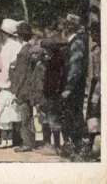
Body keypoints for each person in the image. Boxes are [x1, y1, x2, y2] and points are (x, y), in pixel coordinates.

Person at [60, 14, 89, 158]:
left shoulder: (76, 43)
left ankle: (82, 147)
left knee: (75, 115)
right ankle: (77, 147)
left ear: (71, 27)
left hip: (74, 87)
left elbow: (75, 67)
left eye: (66, 25)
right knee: (71, 115)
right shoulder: (72, 42)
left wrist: (69, 87)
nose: (64, 27)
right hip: (72, 86)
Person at [13, 43, 47, 152]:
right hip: (31, 96)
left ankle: (28, 144)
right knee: (30, 120)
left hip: (33, 96)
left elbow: (38, 84)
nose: (31, 56)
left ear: (37, 55)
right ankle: (30, 143)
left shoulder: (39, 66)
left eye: (33, 54)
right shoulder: (35, 66)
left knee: (28, 120)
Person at [36, 37, 66, 156]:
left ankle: (56, 147)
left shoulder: (55, 61)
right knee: (52, 119)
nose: (44, 51)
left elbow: (53, 80)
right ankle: (54, 145)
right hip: (53, 93)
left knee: (53, 120)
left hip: (53, 94)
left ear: (49, 48)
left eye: (45, 49)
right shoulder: (57, 58)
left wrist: (49, 92)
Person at [0, 19, 21, 147]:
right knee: (14, 112)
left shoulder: (8, 47)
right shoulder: (18, 45)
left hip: (8, 82)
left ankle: (9, 139)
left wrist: (2, 82)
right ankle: (14, 138)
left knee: (7, 111)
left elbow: (5, 67)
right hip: (16, 81)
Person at [9, 21, 33, 149]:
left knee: (25, 117)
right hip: (28, 87)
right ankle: (29, 141)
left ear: (20, 36)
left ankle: (27, 143)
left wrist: (16, 90)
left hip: (23, 88)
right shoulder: (29, 49)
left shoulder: (24, 52)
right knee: (27, 115)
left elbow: (21, 74)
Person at [85, 22, 101, 158]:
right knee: (92, 114)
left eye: (95, 32)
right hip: (94, 83)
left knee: (95, 113)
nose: (92, 35)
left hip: (100, 84)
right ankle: (91, 147)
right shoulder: (94, 49)